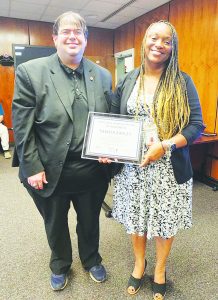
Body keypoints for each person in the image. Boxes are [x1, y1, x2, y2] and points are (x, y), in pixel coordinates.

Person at [12, 11, 112, 291]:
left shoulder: (102, 75)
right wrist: (31, 166)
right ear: (54, 38)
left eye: (78, 32)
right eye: (66, 31)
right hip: (49, 168)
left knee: (90, 220)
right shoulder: (31, 72)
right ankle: (60, 264)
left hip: (92, 168)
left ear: (85, 39)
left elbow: (110, 119)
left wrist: (110, 149)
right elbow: (22, 125)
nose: (72, 36)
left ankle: (91, 259)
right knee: (55, 223)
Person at [109, 21, 204, 299]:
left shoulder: (182, 81)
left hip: (168, 168)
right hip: (132, 168)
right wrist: (107, 147)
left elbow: (196, 124)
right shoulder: (128, 79)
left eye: (166, 40)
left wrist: (165, 145)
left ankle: (160, 269)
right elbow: (115, 119)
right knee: (135, 220)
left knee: (165, 222)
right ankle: (140, 264)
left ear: (172, 47)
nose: (159, 44)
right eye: (154, 37)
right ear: (144, 40)